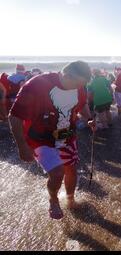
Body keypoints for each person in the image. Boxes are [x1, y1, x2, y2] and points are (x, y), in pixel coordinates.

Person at [8, 61, 96, 220]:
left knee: (71, 170)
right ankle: (53, 199)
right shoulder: (37, 85)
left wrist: (89, 118)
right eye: (77, 84)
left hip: (67, 135)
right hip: (40, 139)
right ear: (67, 75)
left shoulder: (79, 87)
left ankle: (70, 199)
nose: (79, 88)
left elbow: (82, 105)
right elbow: (14, 117)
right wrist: (22, 146)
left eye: (82, 85)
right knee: (57, 173)